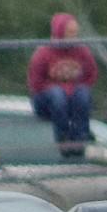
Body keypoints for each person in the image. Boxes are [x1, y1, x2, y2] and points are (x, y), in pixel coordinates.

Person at [27, 13, 98, 158]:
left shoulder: (82, 51)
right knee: (57, 94)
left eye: (75, 33)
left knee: (83, 93)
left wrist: (72, 91)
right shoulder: (43, 53)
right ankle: (63, 139)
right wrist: (65, 90)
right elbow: (36, 84)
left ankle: (80, 139)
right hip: (46, 102)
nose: (74, 36)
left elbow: (91, 75)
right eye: (70, 33)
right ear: (60, 32)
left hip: (73, 99)